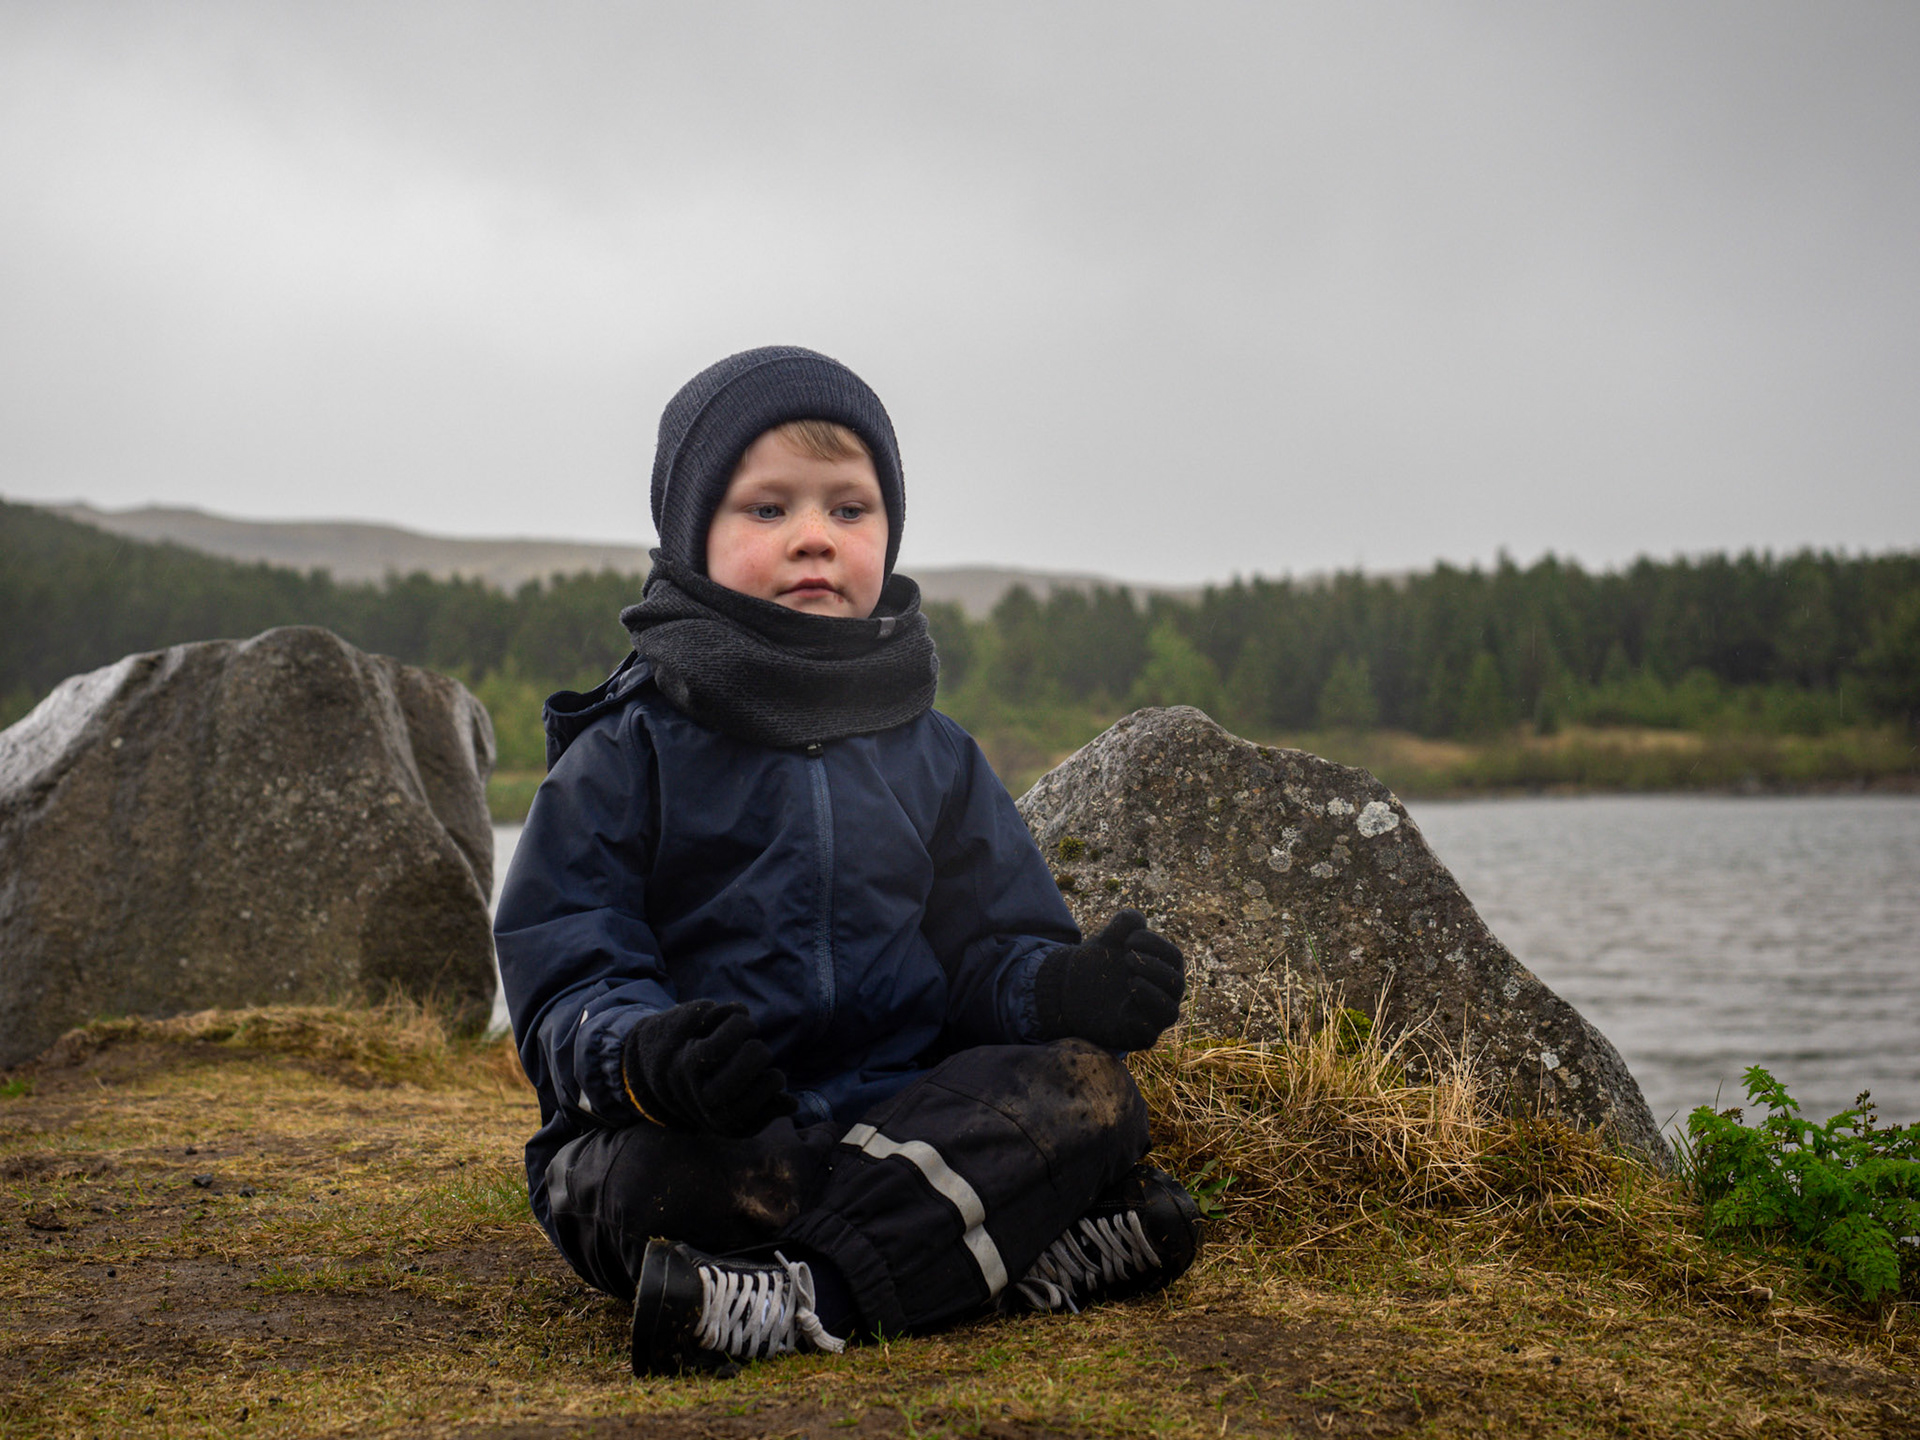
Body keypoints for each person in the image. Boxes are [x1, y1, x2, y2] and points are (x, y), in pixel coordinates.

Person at [494, 346, 1200, 1377]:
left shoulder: (936, 753)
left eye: (849, 509)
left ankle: (797, 1301)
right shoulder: (623, 752)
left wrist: (1063, 987)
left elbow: (986, 953)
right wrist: (646, 1059)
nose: (815, 536)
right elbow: (568, 974)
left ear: (888, 531)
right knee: (639, 1186)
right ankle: (995, 1260)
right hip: (720, 1142)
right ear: (691, 537)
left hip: (904, 1125)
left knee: (1091, 1090)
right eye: (767, 508)